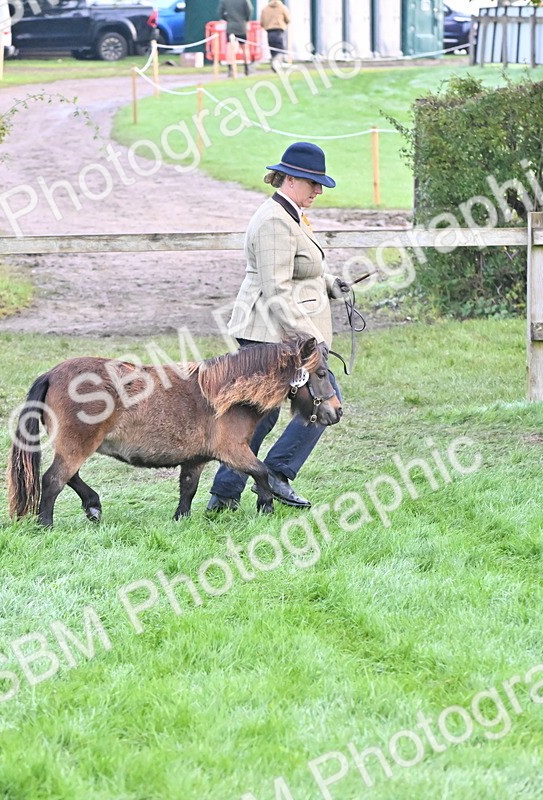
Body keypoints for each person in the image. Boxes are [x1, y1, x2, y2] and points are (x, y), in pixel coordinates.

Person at [206, 141, 348, 513]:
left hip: (280, 334)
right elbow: (276, 289)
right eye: (313, 183)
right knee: (314, 405)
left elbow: (300, 268)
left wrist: (330, 283)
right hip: (269, 333)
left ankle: (231, 493)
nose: (318, 191)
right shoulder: (274, 220)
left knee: (268, 415)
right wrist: (310, 343)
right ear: (290, 179)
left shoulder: (290, 213)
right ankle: (264, 480)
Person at [218, 0, 254, 77]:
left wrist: (227, 19)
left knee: (230, 48)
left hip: (230, 26)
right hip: (242, 25)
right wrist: (246, 19)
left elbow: (220, 12)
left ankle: (230, 69)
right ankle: (247, 67)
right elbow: (249, 10)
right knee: (244, 47)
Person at [259, 0, 290, 70]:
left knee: (272, 49)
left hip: (269, 31)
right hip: (279, 30)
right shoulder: (282, 7)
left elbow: (262, 22)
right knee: (279, 49)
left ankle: (274, 63)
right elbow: (288, 19)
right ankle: (277, 64)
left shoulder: (265, 9)